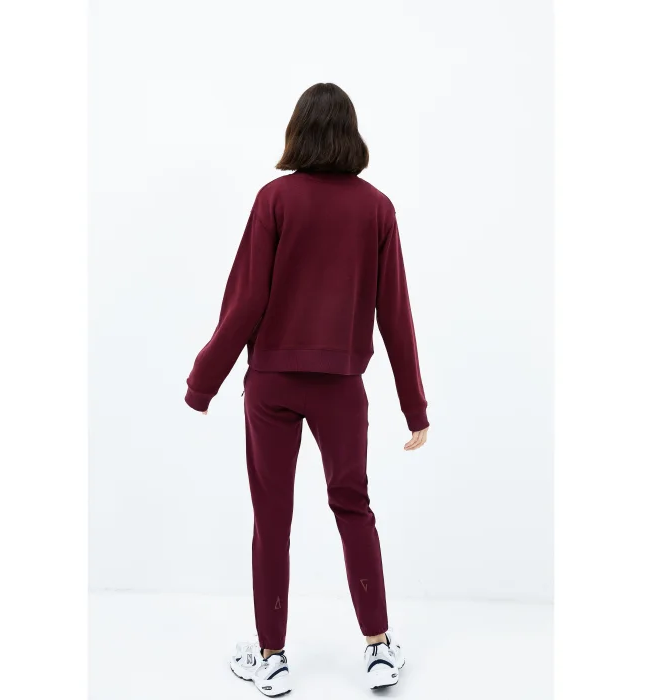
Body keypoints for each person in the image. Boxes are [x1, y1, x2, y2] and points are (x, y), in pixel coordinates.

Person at [185, 82, 428, 696]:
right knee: (354, 507)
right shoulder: (377, 209)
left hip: (271, 385)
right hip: (341, 388)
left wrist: (204, 381)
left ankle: (272, 659)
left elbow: (247, 301)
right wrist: (414, 408)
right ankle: (378, 650)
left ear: (297, 131)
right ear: (351, 134)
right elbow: (395, 315)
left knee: (271, 518)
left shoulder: (275, 199)